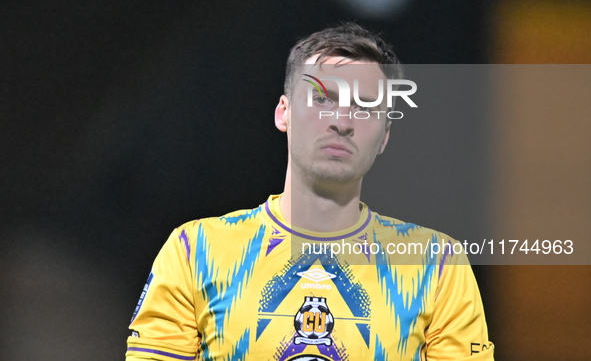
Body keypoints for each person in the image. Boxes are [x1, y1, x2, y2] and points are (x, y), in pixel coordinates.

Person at [125, 23, 495, 361]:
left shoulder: (436, 265)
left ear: (384, 136)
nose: (341, 121)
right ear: (283, 112)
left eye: (365, 107)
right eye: (322, 99)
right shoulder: (194, 252)